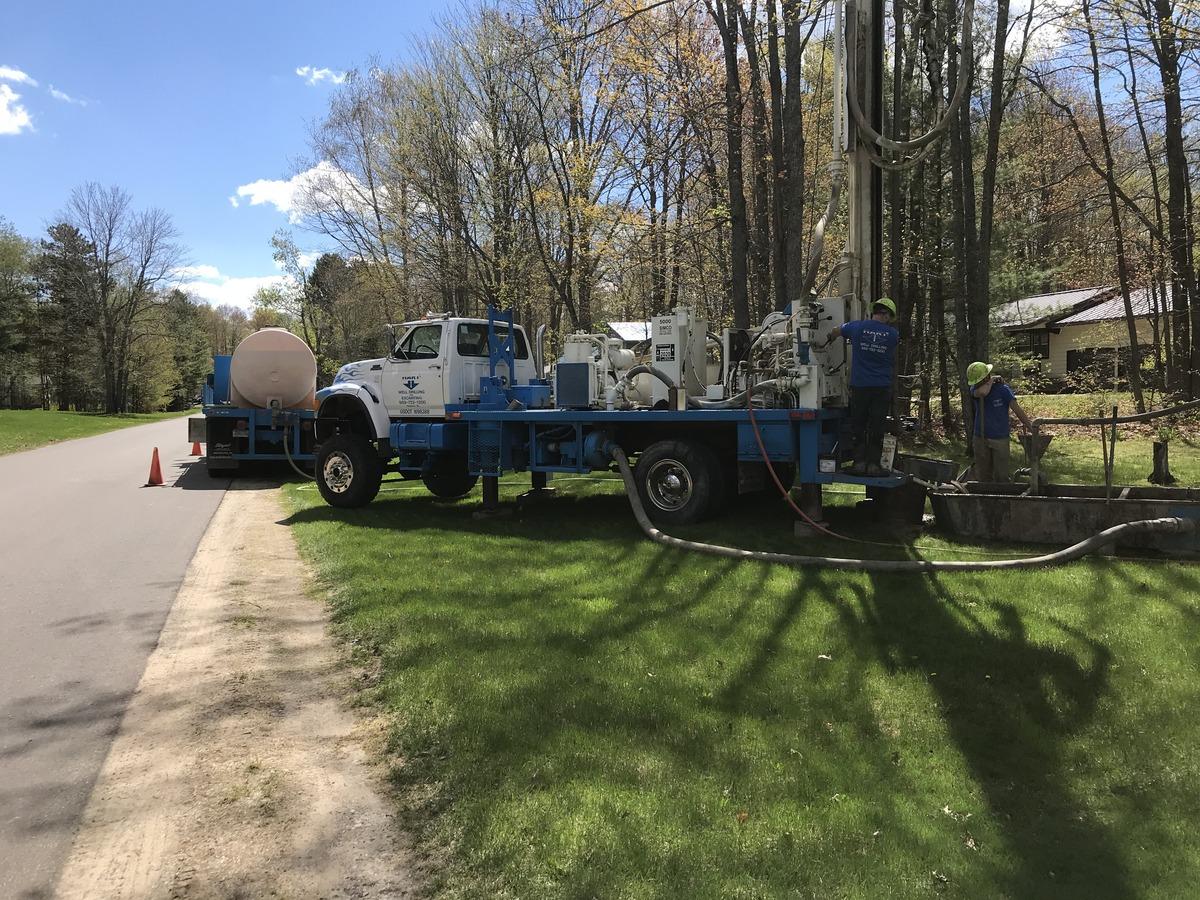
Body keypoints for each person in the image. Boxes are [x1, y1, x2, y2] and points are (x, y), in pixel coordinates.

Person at [825, 298, 899, 475]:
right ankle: (873, 465)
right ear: (887, 315)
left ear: (873, 312)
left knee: (858, 425)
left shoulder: (856, 327)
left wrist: (828, 338)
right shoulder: (892, 335)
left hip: (860, 386)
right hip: (881, 387)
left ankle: (858, 464)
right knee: (877, 426)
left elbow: (836, 330)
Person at [966, 360, 1032, 482]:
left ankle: (1001, 498)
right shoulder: (975, 389)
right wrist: (992, 380)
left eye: (979, 380)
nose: (977, 383)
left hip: (1000, 438)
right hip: (980, 437)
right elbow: (983, 392)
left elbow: (1017, 409)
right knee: (983, 475)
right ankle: (983, 499)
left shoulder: (1003, 389)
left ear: (986, 376)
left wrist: (1030, 426)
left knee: (1001, 475)